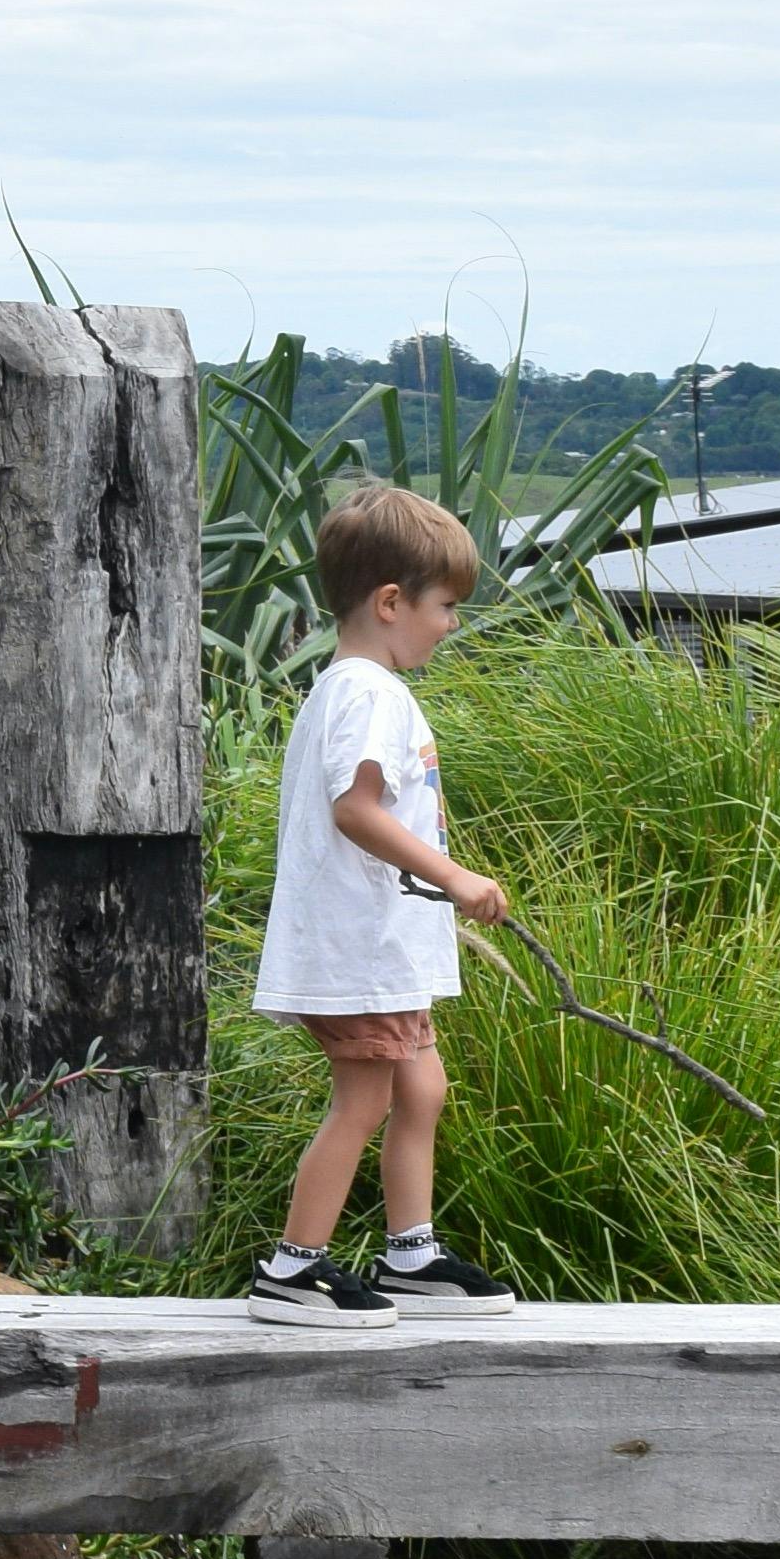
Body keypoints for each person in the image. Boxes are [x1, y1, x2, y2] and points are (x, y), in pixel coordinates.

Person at [245, 483, 525, 1326]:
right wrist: (456, 877)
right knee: (363, 1101)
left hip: (382, 954)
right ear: (392, 602)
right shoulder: (368, 693)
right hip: (357, 954)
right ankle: (292, 1271)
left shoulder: (358, 688)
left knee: (423, 1088)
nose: (452, 623)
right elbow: (355, 810)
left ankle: (411, 1254)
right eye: (446, 606)